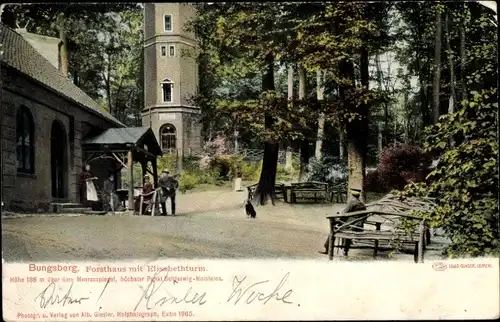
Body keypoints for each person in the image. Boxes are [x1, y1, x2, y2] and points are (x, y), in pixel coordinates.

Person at [319, 188, 367, 255]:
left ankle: (327, 248)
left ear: (352, 195)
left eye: (350, 195)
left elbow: (344, 213)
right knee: (341, 225)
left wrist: (338, 219)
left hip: (351, 226)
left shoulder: (352, 202)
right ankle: (345, 250)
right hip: (359, 227)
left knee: (334, 230)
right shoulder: (362, 204)